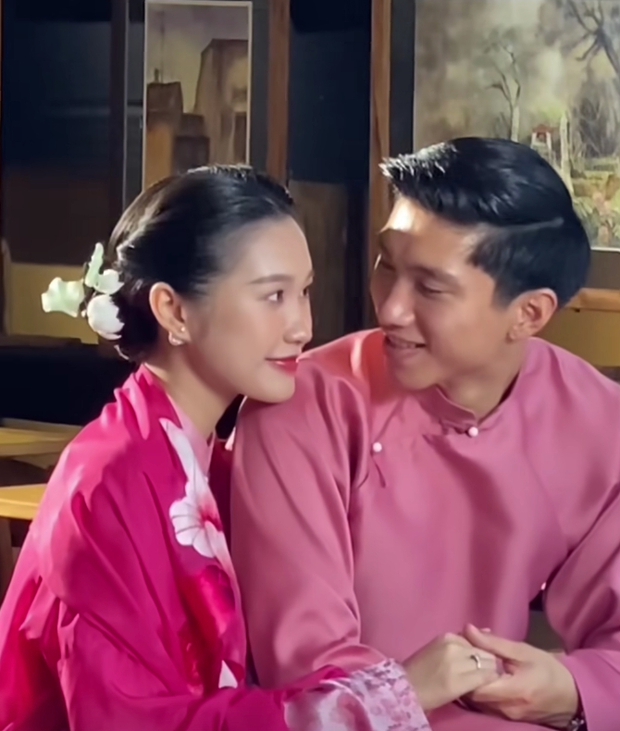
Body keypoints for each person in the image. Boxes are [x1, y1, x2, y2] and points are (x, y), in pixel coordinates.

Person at [0, 167, 444, 730]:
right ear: (174, 311)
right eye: (273, 296)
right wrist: (385, 697)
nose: (302, 326)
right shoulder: (109, 480)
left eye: (304, 292)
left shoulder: (211, 458)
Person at [230, 138, 620, 731]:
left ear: (529, 314)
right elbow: (307, 666)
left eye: (431, 288)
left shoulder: (598, 420)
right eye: (387, 264)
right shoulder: (300, 407)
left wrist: (570, 690)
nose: (390, 309)